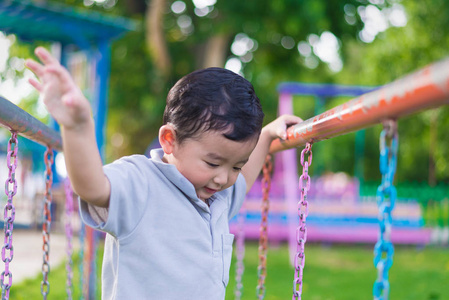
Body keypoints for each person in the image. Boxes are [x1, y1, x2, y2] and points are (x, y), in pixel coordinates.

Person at [26, 46, 302, 299]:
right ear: (170, 140)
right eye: (212, 163)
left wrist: (265, 137)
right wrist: (77, 128)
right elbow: (92, 188)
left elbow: (244, 176)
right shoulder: (141, 181)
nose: (223, 178)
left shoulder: (217, 197)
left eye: (235, 166)